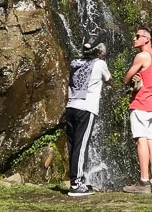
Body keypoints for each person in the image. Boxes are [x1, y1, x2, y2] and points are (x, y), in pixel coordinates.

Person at [65, 41, 111, 197]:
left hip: (70, 106)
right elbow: (108, 79)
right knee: (81, 145)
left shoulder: (74, 62)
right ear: (99, 53)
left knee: (73, 146)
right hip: (86, 109)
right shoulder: (100, 64)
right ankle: (76, 184)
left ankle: (78, 180)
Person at [122, 27, 152, 194]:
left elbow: (126, 79)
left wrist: (132, 79)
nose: (134, 38)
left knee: (141, 141)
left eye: (137, 36)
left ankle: (143, 182)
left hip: (141, 103)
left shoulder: (141, 56)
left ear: (147, 39)